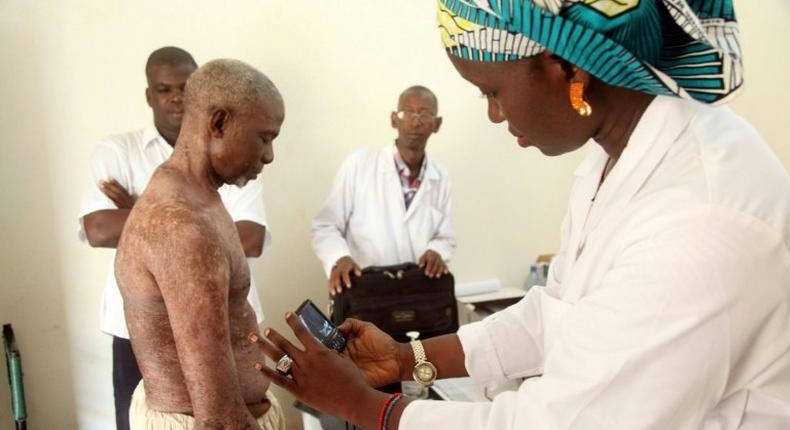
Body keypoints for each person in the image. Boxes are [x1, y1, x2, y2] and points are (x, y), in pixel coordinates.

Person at [251, 1, 790, 429]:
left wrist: (367, 408)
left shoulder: (698, 219)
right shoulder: (613, 161)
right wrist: (406, 357)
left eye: (492, 91)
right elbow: (557, 313)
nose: (493, 115)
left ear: (567, 67)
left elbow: (567, 423)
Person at [78, 47, 272, 430]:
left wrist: (135, 212)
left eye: (186, 87)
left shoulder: (195, 192)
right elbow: (217, 415)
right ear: (218, 121)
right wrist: (158, 221)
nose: (268, 156)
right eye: (264, 138)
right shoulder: (180, 223)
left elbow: (252, 237)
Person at [311, 86, 456, 296]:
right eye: (407, 113)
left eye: (425, 114)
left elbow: (445, 237)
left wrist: (436, 251)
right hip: (364, 289)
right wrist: (339, 257)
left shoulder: (440, 176)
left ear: (437, 124)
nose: (415, 122)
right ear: (394, 119)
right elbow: (325, 226)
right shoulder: (359, 165)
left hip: (417, 292)